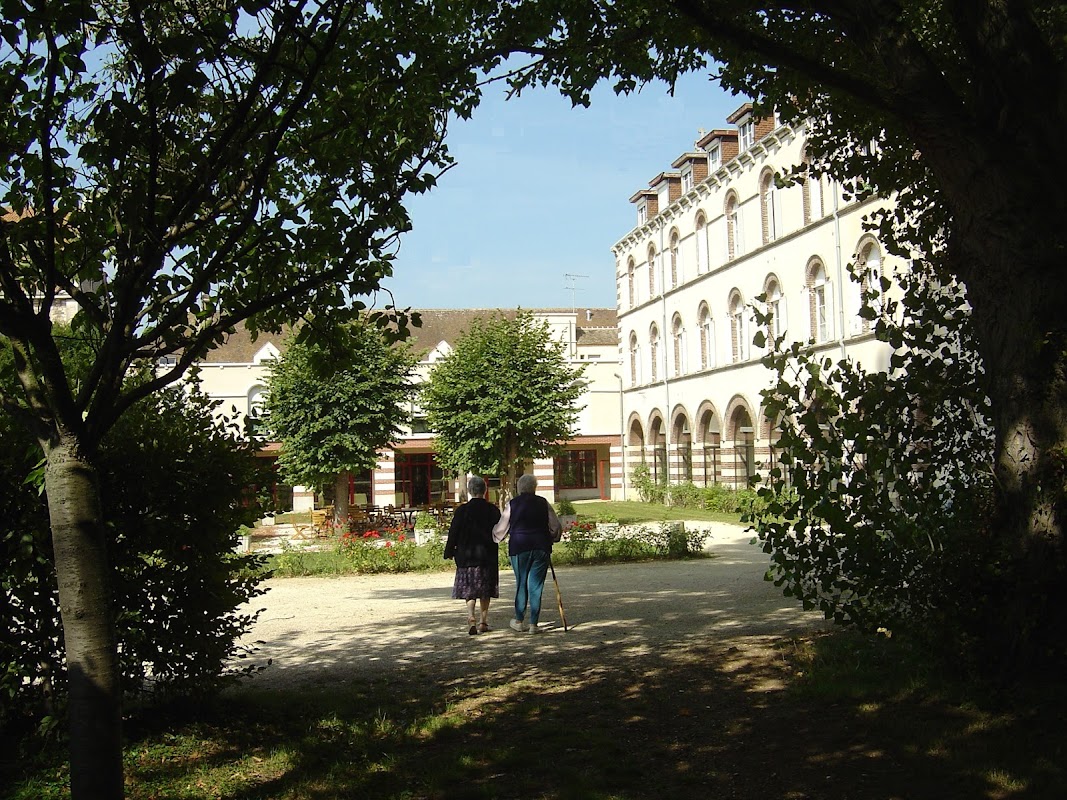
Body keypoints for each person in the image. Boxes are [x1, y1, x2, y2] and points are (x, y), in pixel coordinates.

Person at [492, 473, 562, 634]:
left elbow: (501, 528)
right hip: (541, 546)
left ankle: (518, 620)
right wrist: (552, 538)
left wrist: (496, 537)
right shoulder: (543, 503)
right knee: (536, 586)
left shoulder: (513, 504)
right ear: (535, 488)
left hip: (519, 547)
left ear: (519, 488)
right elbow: (556, 526)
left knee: (521, 582)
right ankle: (534, 625)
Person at [443, 475, 502, 635]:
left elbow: (453, 532)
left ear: (469, 491)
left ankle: (471, 617)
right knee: (485, 589)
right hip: (486, 556)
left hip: (466, 555)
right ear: (485, 491)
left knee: (469, 588)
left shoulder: (462, 510)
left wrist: (448, 551)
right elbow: (499, 531)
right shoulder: (492, 510)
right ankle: (483, 621)